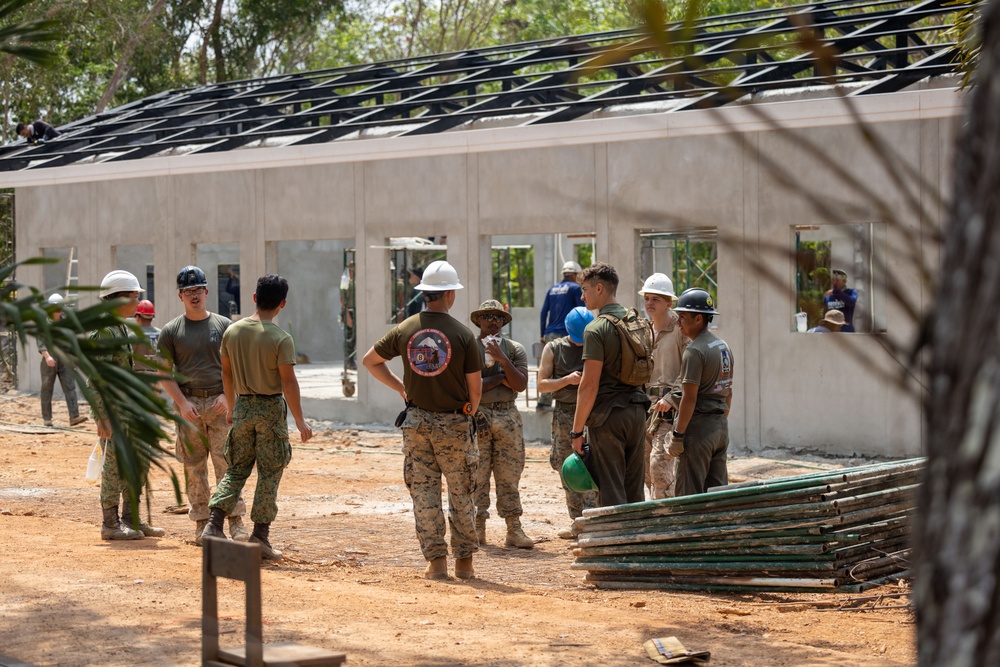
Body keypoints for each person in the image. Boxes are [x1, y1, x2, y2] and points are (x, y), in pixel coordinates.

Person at [362, 260, 482, 580]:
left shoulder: (405, 329)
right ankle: (465, 563)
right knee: (461, 492)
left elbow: (370, 361)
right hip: (454, 424)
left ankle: (436, 562)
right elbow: (475, 388)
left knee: (424, 492)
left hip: (416, 423)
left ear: (425, 294)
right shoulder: (463, 335)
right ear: (449, 295)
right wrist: (469, 409)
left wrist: (401, 388)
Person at [200, 274, 313, 560]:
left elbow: (226, 373)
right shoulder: (280, 338)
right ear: (282, 304)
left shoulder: (232, 332)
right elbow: (288, 383)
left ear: (254, 297)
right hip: (270, 409)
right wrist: (300, 420)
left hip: (243, 407)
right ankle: (260, 536)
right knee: (270, 472)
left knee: (237, 467)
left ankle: (213, 525)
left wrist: (233, 406)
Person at [158, 266, 248, 545]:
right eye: (188, 291)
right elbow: (163, 373)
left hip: (221, 404)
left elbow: (237, 366)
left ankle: (234, 521)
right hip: (190, 405)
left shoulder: (225, 327)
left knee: (228, 463)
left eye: (198, 290)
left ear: (207, 292)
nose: (194, 295)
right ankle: (201, 523)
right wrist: (182, 403)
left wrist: (227, 396)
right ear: (180, 296)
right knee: (193, 466)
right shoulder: (171, 332)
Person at [90, 270, 165, 540]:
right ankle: (110, 524)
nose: (137, 303)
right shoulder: (105, 330)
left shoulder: (119, 326)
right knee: (114, 465)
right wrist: (102, 417)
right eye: (134, 297)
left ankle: (130, 518)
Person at [570, 263, 651, 507]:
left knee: (611, 488)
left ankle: (613, 544)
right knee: (634, 487)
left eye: (584, 290)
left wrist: (576, 432)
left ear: (599, 288)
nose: (582, 296)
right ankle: (636, 542)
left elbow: (589, 385)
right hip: (637, 412)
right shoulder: (637, 321)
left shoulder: (596, 328)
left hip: (608, 418)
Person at [470, 299, 533, 549]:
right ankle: (478, 527)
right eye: (488, 317)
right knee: (477, 473)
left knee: (509, 475)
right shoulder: (470, 349)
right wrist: (502, 377)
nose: (493, 321)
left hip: (507, 416)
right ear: (479, 321)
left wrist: (502, 360)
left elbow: (519, 385)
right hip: (479, 415)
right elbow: (473, 388)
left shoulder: (514, 349)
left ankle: (513, 528)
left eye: (498, 317)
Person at [537, 306, 597, 538]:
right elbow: (542, 384)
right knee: (569, 466)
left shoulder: (597, 345)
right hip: (565, 414)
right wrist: (566, 380)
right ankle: (577, 520)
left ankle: (594, 517)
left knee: (594, 463)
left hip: (593, 412)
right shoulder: (553, 349)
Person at [669, 288, 735, 497]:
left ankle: (688, 530)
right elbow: (729, 391)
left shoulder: (694, 351)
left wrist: (678, 436)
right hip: (720, 427)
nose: (678, 322)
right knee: (717, 494)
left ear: (698, 318)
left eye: (682, 317)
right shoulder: (722, 346)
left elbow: (689, 399)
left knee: (690, 494)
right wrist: (719, 422)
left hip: (698, 428)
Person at [639, 273, 689, 500]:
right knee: (646, 469)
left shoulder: (681, 330)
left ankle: (666, 515)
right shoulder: (643, 332)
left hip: (669, 410)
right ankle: (655, 514)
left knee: (660, 465)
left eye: (656, 299)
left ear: (669, 303)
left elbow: (689, 370)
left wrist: (671, 399)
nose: (649, 303)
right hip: (644, 407)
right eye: (647, 298)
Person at [536, 261, 585, 411]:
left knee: (548, 368)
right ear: (575, 275)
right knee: (567, 369)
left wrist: (543, 333)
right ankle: (569, 400)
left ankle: (544, 402)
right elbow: (581, 311)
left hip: (550, 332)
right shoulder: (576, 288)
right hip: (568, 332)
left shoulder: (552, 289)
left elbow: (544, 312)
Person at [37, 293, 86, 428]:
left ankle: (74, 416)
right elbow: (41, 342)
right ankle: (47, 419)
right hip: (49, 360)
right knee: (46, 389)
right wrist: (47, 356)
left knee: (70, 387)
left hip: (65, 359)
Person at [131, 299, 162, 374]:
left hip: (140, 378)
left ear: (137, 318)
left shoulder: (134, 336)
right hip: (159, 378)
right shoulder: (161, 334)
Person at [340, 261, 356, 370]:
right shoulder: (345, 281)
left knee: (355, 338)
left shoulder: (357, 281)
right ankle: (349, 361)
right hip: (349, 311)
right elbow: (342, 300)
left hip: (357, 311)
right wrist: (347, 315)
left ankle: (352, 360)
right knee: (349, 338)